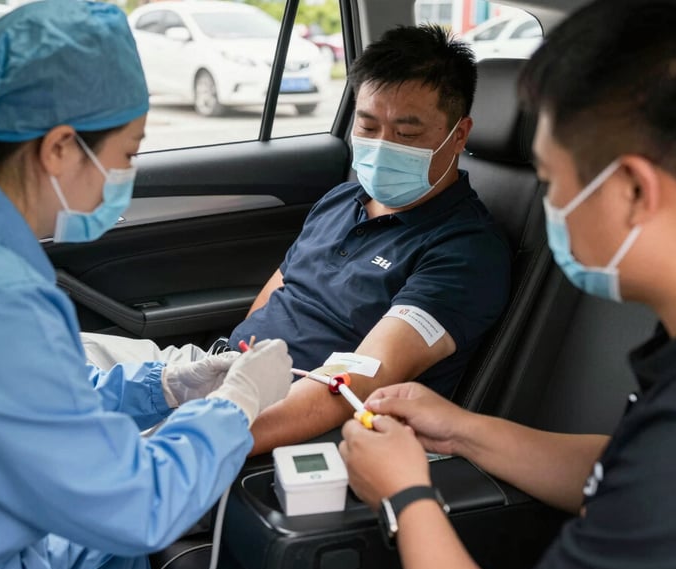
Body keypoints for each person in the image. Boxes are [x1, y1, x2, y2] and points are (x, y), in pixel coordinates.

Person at [204, 0, 676, 569]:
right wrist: (466, 431)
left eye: (552, 180)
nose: (550, 208)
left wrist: (407, 495)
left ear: (632, 191)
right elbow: (616, 471)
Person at [0, 3, 292, 569]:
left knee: (113, 563)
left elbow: (42, 404)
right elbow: (138, 505)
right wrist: (237, 406)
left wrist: (167, 386)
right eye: (128, 154)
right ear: (59, 148)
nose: (125, 176)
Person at [82, 24, 512, 456]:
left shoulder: (465, 252)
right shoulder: (342, 199)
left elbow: (353, 382)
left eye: (406, 134)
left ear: (459, 134)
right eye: (367, 126)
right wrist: (220, 372)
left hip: (285, 420)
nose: (382, 147)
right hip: (217, 373)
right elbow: (272, 302)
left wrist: (199, 445)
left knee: (72, 454)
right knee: (51, 363)